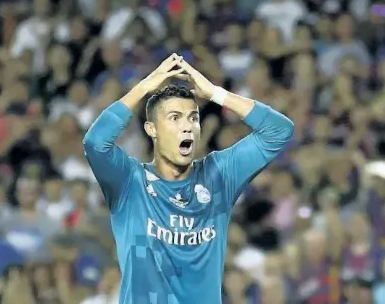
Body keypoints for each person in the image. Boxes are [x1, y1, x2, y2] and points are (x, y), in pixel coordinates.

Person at [83, 53, 294, 304]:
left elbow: (279, 131)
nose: (188, 126)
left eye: (193, 118)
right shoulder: (130, 182)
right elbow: (95, 143)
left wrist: (217, 94)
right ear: (152, 129)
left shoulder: (219, 176)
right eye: (175, 118)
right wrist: (143, 88)